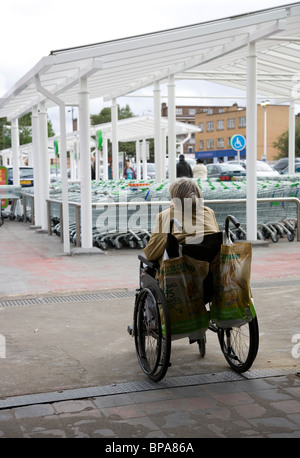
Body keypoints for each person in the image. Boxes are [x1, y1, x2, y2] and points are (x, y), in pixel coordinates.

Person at [144, 177, 219, 267]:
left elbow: (151, 253)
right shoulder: (209, 212)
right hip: (210, 271)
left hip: (179, 273)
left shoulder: (165, 215)